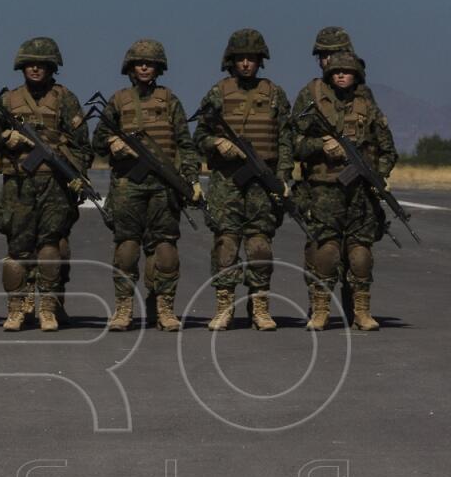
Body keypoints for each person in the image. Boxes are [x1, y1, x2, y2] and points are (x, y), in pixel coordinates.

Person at [91, 39, 201, 332]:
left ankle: (164, 307)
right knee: (126, 248)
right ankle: (123, 308)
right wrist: (111, 143)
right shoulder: (117, 101)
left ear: (158, 68)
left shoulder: (170, 101)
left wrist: (191, 179)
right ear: (130, 67)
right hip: (128, 186)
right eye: (139, 62)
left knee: (165, 249)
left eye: (149, 63)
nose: (143, 66)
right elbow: (97, 141)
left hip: (164, 186)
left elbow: (185, 144)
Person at [0, 37, 91, 332]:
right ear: (22, 66)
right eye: (30, 64)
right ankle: (17, 309)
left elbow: (83, 145)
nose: (35, 69)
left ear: (51, 67)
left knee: (49, 248)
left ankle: (48, 308)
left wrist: (77, 176)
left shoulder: (65, 99)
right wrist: (8, 138)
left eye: (41, 64)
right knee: (18, 250)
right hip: (18, 186)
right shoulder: (8, 101)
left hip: (54, 185)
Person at [193, 29, 294, 331]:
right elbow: (198, 136)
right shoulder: (218, 93)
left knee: (260, 245)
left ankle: (260, 306)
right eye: (241, 59)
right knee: (226, 244)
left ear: (260, 61)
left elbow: (285, 138)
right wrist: (217, 144)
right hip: (227, 182)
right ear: (231, 61)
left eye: (252, 58)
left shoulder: (275, 94)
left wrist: (285, 176)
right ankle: (224, 306)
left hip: (263, 183)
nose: (247, 64)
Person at [291, 51, 397, 331]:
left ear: (356, 76)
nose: (340, 74)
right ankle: (321, 310)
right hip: (324, 192)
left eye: (347, 71)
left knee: (361, 254)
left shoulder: (368, 107)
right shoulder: (314, 105)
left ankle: (362, 311)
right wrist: (320, 146)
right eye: (336, 71)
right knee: (326, 252)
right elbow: (293, 144)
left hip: (361, 194)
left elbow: (388, 149)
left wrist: (380, 175)